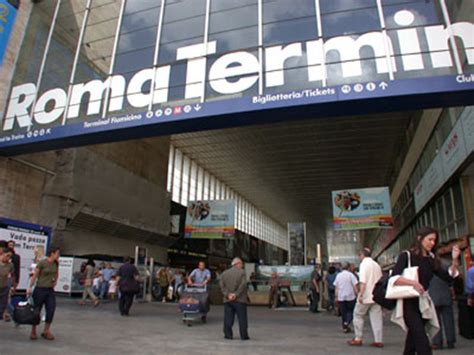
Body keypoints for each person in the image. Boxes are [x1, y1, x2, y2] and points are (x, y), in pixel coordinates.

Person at [391, 226, 460, 355]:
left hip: (423, 303)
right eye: (430, 239)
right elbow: (393, 278)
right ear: (419, 238)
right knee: (422, 340)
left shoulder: (431, 259)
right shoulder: (406, 255)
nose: (432, 243)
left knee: (413, 340)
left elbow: (447, 277)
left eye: (434, 240)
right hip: (408, 303)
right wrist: (413, 283)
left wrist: (455, 259)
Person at [348, 248, 383, 348]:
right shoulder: (376, 265)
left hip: (366, 295)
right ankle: (378, 340)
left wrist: (361, 294)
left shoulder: (364, 264)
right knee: (376, 318)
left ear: (361, 255)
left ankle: (358, 338)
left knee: (358, 315)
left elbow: (363, 281)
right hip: (376, 296)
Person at [27, 246, 60, 341]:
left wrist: (55, 281)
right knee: (37, 310)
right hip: (40, 289)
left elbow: (57, 273)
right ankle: (33, 330)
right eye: (57, 253)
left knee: (51, 309)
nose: (58, 255)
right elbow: (35, 275)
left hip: (50, 290)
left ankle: (46, 330)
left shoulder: (56, 263)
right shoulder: (42, 263)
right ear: (52, 253)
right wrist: (30, 287)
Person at [219, 257, 249, 340]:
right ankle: (243, 335)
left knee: (228, 318)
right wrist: (235, 294)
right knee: (242, 318)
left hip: (228, 299)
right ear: (237, 264)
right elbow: (243, 285)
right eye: (241, 264)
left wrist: (228, 295)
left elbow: (222, 286)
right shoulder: (242, 272)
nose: (242, 265)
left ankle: (228, 335)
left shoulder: (224, 273)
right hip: (240, 300)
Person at [429, 273, 456, 350]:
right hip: (446, 296)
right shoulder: (446, 267)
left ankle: (437, 342)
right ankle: (450, 341)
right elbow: (451, 281)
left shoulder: (427, 267)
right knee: (449, 321)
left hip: (433, 298)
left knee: (435, 322)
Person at [334, 263, 358, 333]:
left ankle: (345, 326)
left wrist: (336, 296)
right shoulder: (351, 275)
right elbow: (355, 286)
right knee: (351, 311)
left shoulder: (338, 275)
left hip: (341, 297)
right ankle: (347, 322)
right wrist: (357, 294)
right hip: (350, 296)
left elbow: (336, 287)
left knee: (343, 313)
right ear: (349, 268)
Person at [0, 248, 16, 323]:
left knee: (2, 306)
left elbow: (12, 275)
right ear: (2, 254)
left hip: (4, 287)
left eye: (10, 257)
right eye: (7, 256)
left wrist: (12, 286)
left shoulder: (10, 265)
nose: (8, 258)